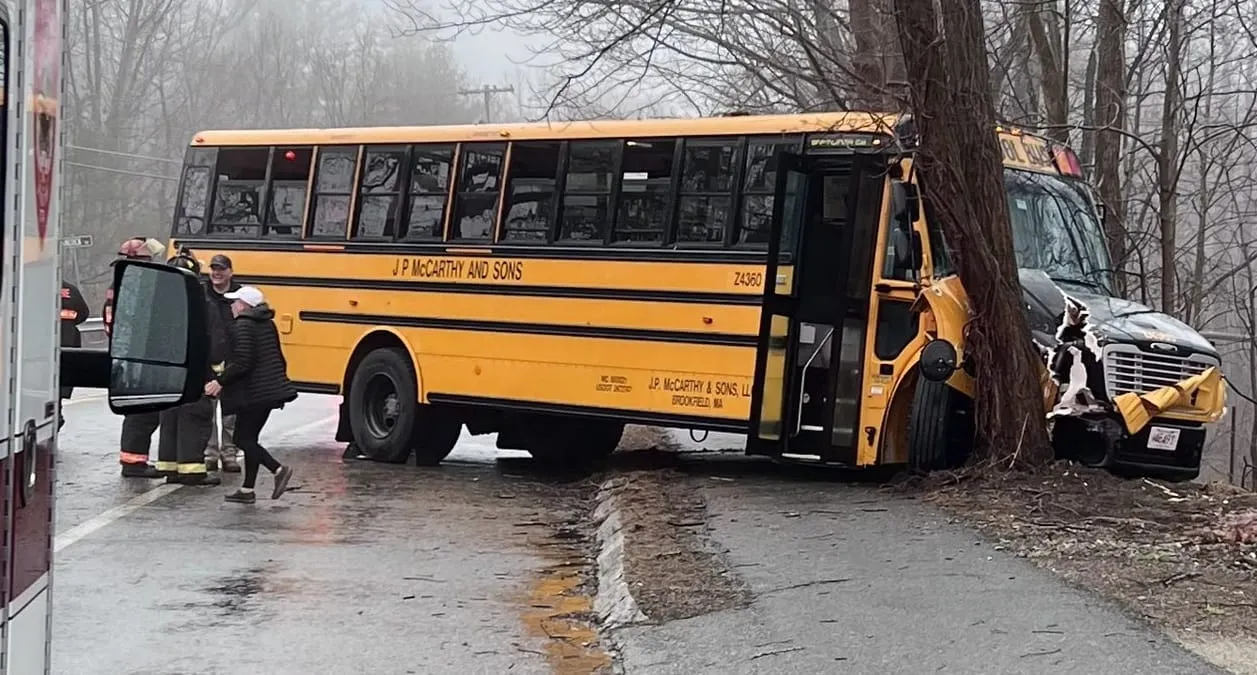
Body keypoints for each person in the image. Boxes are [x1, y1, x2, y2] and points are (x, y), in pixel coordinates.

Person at [205, 286, 297, 503]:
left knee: (242, 438)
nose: (232, 306)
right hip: (268, 392)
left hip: (255, 393)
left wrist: (220, 381)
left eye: (235, 302)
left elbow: (243, 362)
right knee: (250, 439)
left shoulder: (244, 325)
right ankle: (247, 490)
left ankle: (278, 469)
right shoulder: (266, 323)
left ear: (245, 305)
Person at [154, 250, 221, 486]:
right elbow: (215, 342)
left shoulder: (159, 303)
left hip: (167, 374)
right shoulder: (203, 304)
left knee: (170, 417)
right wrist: (216, 374)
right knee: (195, 419)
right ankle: (191, 470)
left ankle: (169, 466)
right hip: (195, 373)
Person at [106, 236, 167, 478]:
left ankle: (134, 460)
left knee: (142, 411)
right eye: (147, 258)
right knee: (142, 412)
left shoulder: (126, 281)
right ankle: (133, 463)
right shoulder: (134, 283)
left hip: (130, 357)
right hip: (136, 358)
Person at [204, 254, 241, 473]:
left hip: (233, 363)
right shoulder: (202, 294)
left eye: (221, 269)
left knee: (231, 413)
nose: (217, 273)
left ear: (230, 272)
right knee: (208, 412)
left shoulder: (238, 296)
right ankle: (210, 454)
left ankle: (229, 454)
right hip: (209, 362)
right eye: (214, 269)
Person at [58, 280, 89, 430]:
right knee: (60, 379)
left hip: (39, 342)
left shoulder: (32, 284)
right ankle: (57, 413)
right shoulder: (70, 289)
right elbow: (83, 313)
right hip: (67, 341)